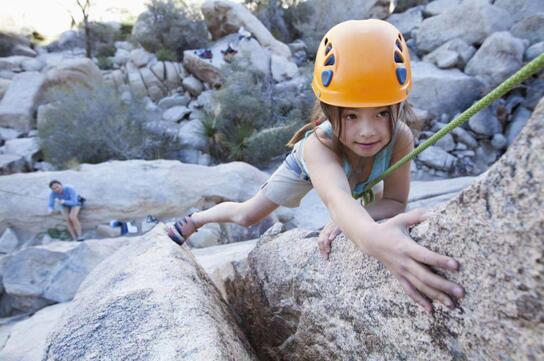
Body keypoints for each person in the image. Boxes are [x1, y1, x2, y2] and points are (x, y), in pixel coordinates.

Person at [168, 20, 464, 313]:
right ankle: (196, 220)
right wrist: (373, 238)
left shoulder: (401, 137)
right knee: (247, 215)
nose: (367, 131)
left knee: (351, 210)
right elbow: (336, 198)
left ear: (398, 107)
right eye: (350, 116)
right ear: (329, 111)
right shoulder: (317, 147)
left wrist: (352, 218)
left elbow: (396, 202)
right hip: (305, 168)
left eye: (381, 113)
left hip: (354, 175)